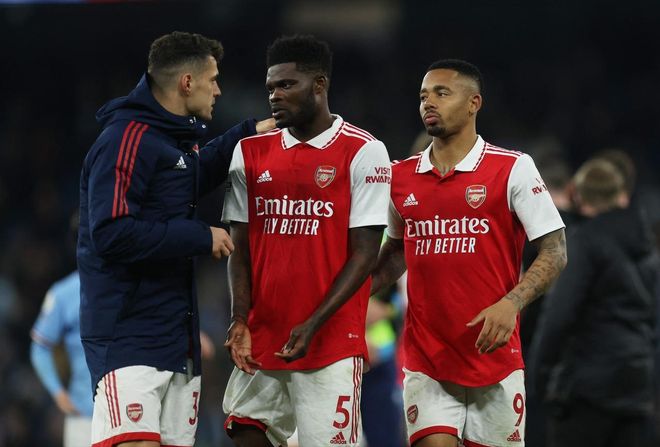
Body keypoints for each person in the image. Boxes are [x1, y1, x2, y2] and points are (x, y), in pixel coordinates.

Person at [77, 31, 274, 447]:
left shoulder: (170, 141)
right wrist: (200, 236)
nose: (218, 90)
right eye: (213, 80)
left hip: (176, 340)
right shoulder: (124, 139)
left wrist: (250, 132)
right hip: (128, 339)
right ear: (187, 82)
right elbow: (111, 233)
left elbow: (192, 174)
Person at [370, 59, 567, 447]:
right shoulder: (400, 177)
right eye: (423, 96)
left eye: (441, 93)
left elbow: (555, 250)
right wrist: (353, 294)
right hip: (427, 361)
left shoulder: (512, 168)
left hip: (494, 359)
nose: (429, 102)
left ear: (474, 102)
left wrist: (511, 304)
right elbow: (396, 251)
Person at [221, 35, 391, 447]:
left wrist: (314, 322)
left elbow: (365, 254)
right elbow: (239, 249)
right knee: (245, 431)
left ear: (319, 84)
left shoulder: (364, 151)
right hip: (264, 336)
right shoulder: (249, 152)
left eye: (286, 85)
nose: (274, 96)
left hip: (330, 342)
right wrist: (240, 318)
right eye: (270, 88)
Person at [528, 158, 660, 447]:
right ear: (621, 195)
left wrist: (538, 375)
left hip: (588, 386)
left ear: (580, 196)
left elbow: (559, 315)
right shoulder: (647, 245)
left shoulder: (585, 241)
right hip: (637, 386)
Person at [31, 270, 92, 447]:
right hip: (84, 415)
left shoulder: (129, 280)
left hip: (127, 407)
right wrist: (57, 392)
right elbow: (40, 348)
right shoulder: (65, 292)